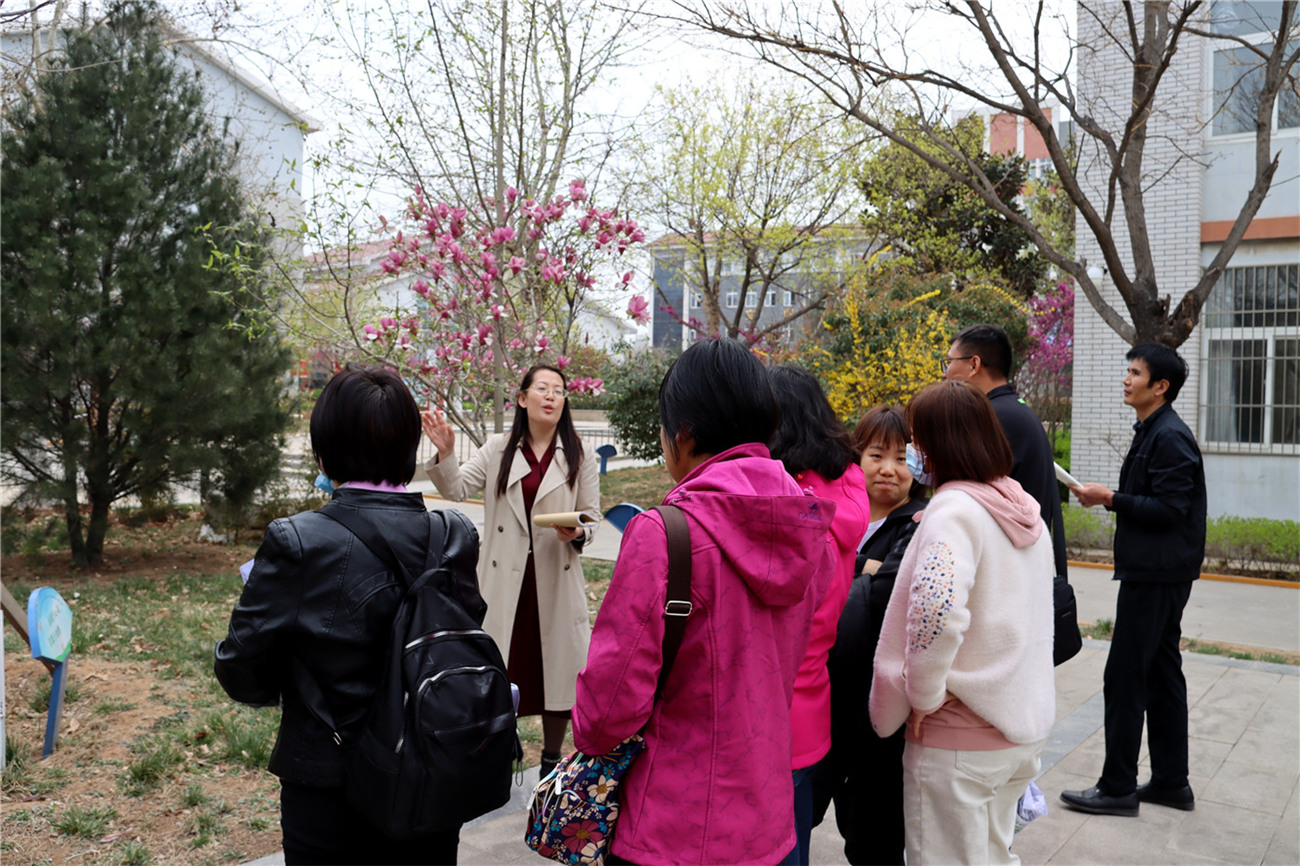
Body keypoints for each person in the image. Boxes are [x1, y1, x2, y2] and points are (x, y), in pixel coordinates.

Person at [572, 338, 837, 865]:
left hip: (671, 829)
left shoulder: (663, 535)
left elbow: (606, 714)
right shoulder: (811, 531)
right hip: (769, 824)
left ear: (684, 433)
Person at [215, 365, 475, 864]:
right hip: (432, 774)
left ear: (324, 447)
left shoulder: (299, 539)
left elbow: (239, 670)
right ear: (408, 446)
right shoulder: (453, 534)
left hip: (330, 781)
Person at [871, 380, 1056, 866]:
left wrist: (924, 694)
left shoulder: (954, 511)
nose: (914, 452)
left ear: (937, 443)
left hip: (958, 740)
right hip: (1018, 733)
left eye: (916, 439)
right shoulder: (1024, 512)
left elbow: (935, 609)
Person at [421, 364, 599, 776]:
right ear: (522, 398)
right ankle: (502, 754)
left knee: (557, 674)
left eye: (559, 390)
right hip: (506, 582)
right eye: (542, 388)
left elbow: (592, 517)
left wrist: (576, 531)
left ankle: (551, 760)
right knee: (504, 670)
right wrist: (446, 453)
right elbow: (456, 489)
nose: (552, 396)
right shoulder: (498, 448)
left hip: (554, 578)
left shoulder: (579, 452)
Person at [1061, 342, 1206, 817]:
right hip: (1158, 570)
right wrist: (1112, 497)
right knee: (1162, 675)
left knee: (1124, 676)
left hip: (1157, 573)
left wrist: (1109, 499)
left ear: (1160, 386)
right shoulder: (1153, 431)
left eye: (1135, 373)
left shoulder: (1170, 437)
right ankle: (1170, 782)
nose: (1126, 379)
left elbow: (1171, 509)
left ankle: (1118, 786)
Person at [813, 405, 928, 865]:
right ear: (855, 458)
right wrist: (864, 567)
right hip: (826, 709)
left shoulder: (920, 525)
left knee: (873, 841)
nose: (889, 469)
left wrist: (853, 571)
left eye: (903, 458)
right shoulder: (839, 518)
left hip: (880, 721)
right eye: (877, 454)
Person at [768, 365, 873, 866]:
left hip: (765, 704)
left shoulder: (781, 495)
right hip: (814, 700)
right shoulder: (849, 482)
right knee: (796, 834)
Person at [943, 323, 1069, 581]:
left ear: (974, 364)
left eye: (949, 363)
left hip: (1006, 567)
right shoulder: (1015, 410)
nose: (945, 374)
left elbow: (968, 496)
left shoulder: (993, 418)